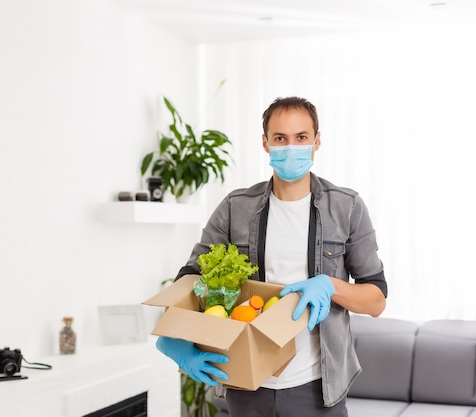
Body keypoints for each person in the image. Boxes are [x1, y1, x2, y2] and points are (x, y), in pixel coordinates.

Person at [156, 96, 387, 417]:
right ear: (265, 143)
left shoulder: (346, 208)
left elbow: (376, 300)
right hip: (247, 381)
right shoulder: (235, 208)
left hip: (317, 387)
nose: (290, 147)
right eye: (280, 138)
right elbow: (192, 277)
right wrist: (175, 334)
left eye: (301, 138)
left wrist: (330, 285)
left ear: (317, 142)